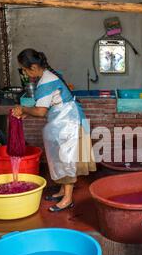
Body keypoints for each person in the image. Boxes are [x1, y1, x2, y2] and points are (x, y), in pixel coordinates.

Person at [11, 49, 96, 211]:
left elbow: (41, 111)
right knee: (61, 156)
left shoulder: (45, 82)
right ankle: (62, 190)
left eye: (24, 68)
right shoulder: (50, 74)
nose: (23, 72)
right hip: (68, 118)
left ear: (34, 67)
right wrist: (27, 112)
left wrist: (23, 109)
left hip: (69, 122)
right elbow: (48, 104)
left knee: (66, 159)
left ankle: (68, 199)